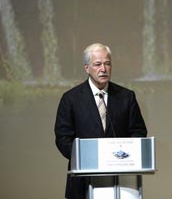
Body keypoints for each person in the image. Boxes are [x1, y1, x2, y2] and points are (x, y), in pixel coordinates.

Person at [54, 43, 147, 199]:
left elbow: (138, 131)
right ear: (86, 68)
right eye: (97, 64)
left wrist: (123, 156)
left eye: (107, 64)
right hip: (83, 181)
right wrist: (89, 157)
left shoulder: (126, 96)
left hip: (121, 181)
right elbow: (63, 138)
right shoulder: (71, 99)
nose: (103, 69)